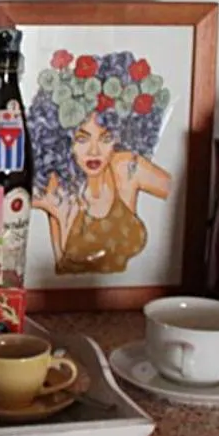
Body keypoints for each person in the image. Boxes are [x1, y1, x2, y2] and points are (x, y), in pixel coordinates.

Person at [28, 50, 174, 275]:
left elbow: (187, 195)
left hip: (131, 294)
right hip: (66, 298)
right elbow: (2, 200)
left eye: (105, 138)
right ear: (63, 139)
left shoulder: (127, 168)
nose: (94, 151)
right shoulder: (57, 186)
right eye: (81, 139)